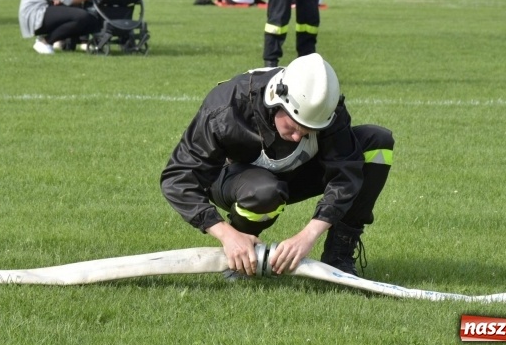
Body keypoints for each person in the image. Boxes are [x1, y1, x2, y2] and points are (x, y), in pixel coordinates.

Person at [160, 53, 394, 279]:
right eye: (293, 126)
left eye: (309, 131)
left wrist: (308, 235)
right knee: (264, 191)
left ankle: (339, 256)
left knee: (377, 142)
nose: (297, 137)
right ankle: (243, 252)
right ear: (277, 99)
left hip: (295, 175)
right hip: (234, 180)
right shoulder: (226, 107)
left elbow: (345, 174)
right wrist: (227, 235)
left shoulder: (326, 110)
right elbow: (178, 178)